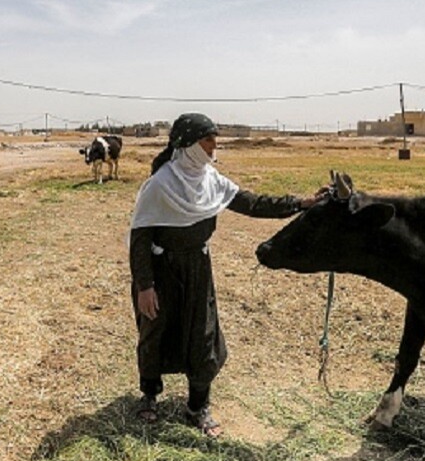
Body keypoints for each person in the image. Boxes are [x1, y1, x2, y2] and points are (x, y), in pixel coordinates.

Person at [128, 112, 326, 438]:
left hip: (198, 269)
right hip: (162, 271)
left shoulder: (212, 180)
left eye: (214, 139)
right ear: (189, 144)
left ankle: (198, 406)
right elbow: (140, 238)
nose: (213, 146)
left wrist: (301, 203)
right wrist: (144, 286)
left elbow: (252, 203)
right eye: (207, 139)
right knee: (155, 331)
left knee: (203, 335)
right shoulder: (159, 185)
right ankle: (149, 394)